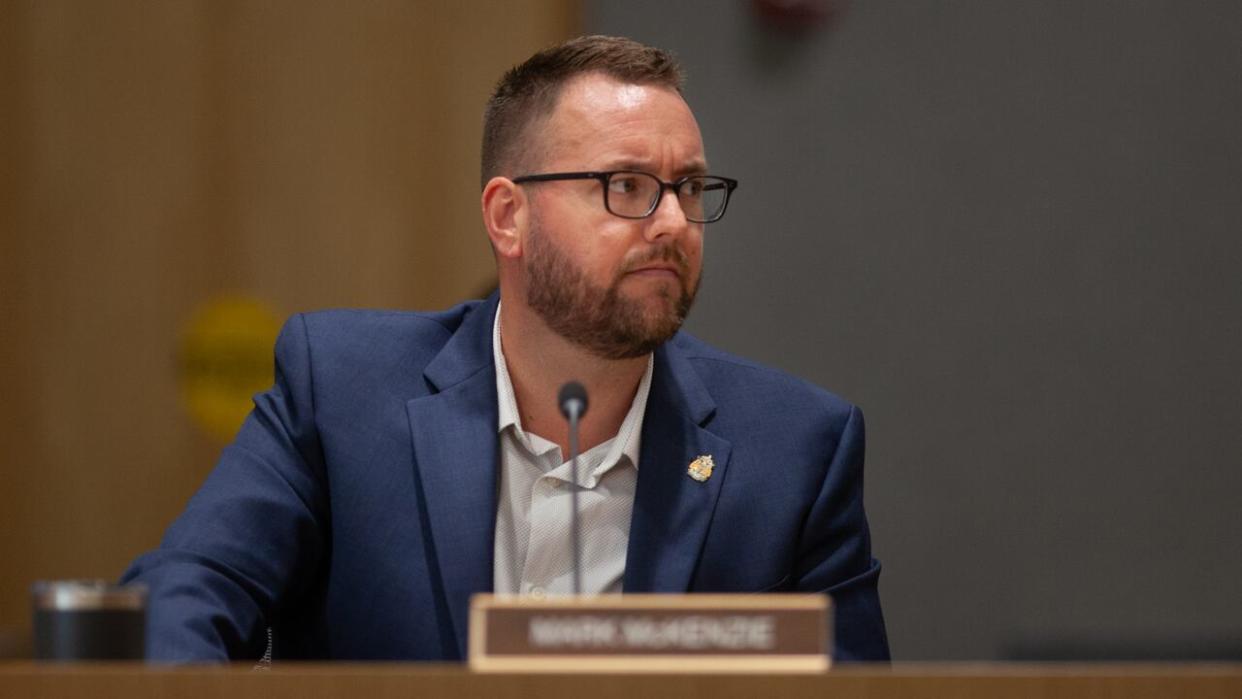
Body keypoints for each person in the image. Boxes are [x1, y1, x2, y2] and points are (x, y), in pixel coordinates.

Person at [122, 35, 889, 662]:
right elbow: (186, 589)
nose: (671, 223)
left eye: (688, 188)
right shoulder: (343, 393)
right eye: (626, 185)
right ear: (507, 216)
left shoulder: (793, 451)